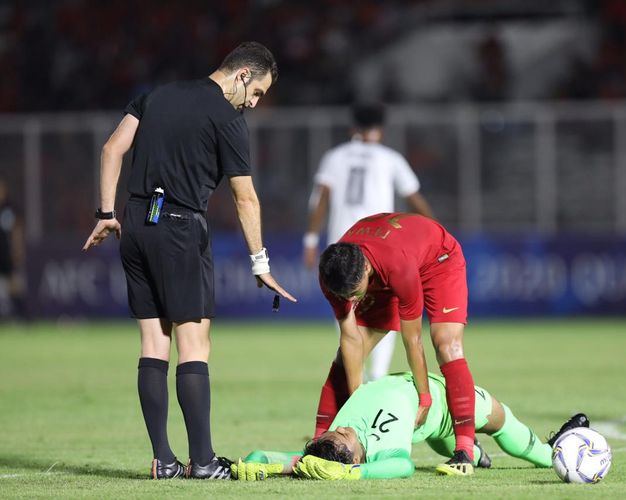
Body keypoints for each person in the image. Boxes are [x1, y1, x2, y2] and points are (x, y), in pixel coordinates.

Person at [82, 41, 296, 480]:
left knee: (153, 344)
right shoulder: (227, 118)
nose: (254, 103)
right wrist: (260, 263)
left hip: (135, 223)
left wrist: (106, 214)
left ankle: (163, 460)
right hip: (179, 227)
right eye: (256, 93)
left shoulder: (155, 96)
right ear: (242, 76)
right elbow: (245, 197)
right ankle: (202, 462)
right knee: (194, 346)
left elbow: (111, 149)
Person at [313, 212, 479, 475]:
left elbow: (412, 338)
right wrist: (359, 400)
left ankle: (465, 450)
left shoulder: (397, 266)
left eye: (355, 294)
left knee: (447, 344)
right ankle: (318, 443)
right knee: (344, 359)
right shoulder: (333, 276)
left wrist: (424, 397)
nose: (351, 299)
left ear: (365, 269)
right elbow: (350, 337)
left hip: (437, 259)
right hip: (384, 268)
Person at [230, 372, 589, 480]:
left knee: (500, 420)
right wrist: (264, 460)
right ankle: (473, 453)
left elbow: (401, 466)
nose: (340, 430)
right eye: (341, 437)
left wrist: (350, 476)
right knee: (444, 444)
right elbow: (295, 459)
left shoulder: (353, 443)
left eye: (336, 433)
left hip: (448, 401)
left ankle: (555, 446)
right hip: (428, 422)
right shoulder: (337, 445)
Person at [303, 103, 434, 383]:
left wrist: (310, 239)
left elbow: (321, 198)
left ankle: (352, 371)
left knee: (345, 307)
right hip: (380, 243)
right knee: (385, 306)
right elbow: (414, 197)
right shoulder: (389, 157)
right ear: (381, 129)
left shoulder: (334, 157)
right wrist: (436, 230)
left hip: (342, 241)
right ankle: (377, 374)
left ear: (353, 128)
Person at [0, 178, 24, 319]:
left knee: (14, 286)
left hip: (5, 255)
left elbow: (17, 231)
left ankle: (24, 317)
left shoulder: (10, 209)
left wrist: (18, 250)